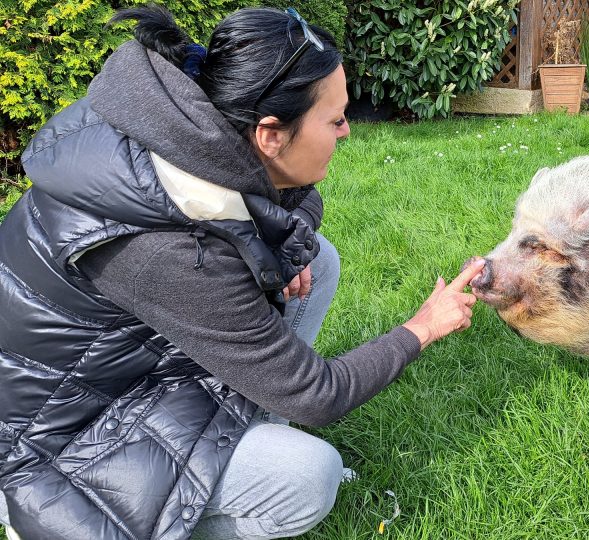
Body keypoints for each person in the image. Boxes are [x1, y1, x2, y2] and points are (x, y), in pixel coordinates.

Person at [0, 5, 484, 539]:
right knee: (305, 475)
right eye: (336, 119)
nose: (346, 131)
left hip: (118, 375)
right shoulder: (166, 252)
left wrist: (288, 256)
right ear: (271, 135)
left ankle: (256, 421)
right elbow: (319, 395)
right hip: (44, 449)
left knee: (315, 259)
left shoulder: (185, 131)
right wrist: (423, 327)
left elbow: (291, 199)